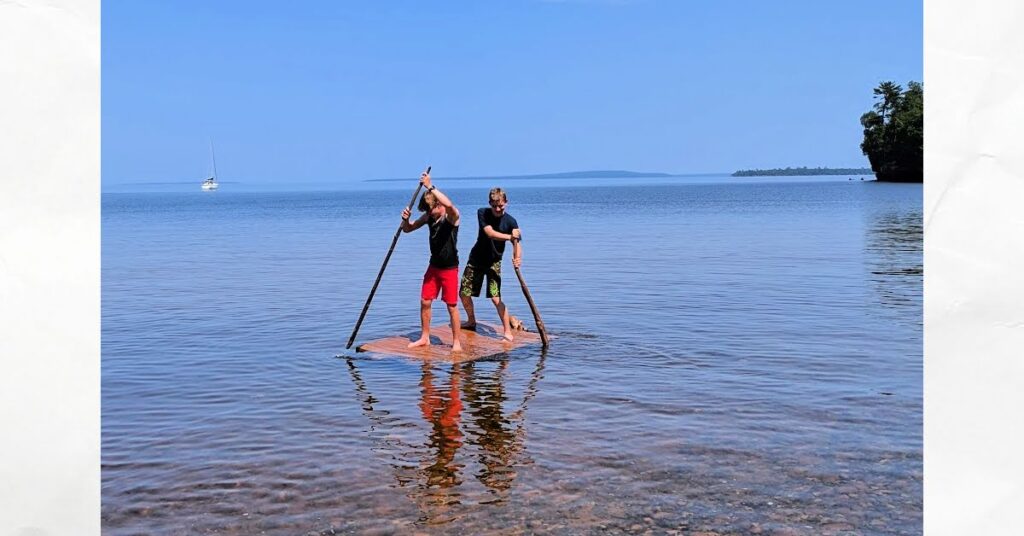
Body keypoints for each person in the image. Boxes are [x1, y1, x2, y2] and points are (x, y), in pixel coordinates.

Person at [401, 171, 463, 352]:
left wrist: (430, 186)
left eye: (431, 210)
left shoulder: (452, 217)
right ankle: (425, 337)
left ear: (438, 205)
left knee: (452, 306)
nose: (429, 214)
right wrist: (405, 220)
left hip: (450, 269)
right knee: (425, 301)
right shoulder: (430, 217)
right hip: (433, 267)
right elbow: (408, 229)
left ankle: (457, 342)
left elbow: (449, 205)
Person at [459, 187, 522, 341]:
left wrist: (517, 258)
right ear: (489, 203)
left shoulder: (511, 221)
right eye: (494, 206)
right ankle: (471, 320)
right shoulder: (483, 213)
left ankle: (507, 331)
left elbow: (517, 243)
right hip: (476, 260)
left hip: (494, 262)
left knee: (495, 297)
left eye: (500, 205)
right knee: (464, 293)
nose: (497, 209)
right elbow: (489, 233)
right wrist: (509, 236)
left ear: (506, 203)